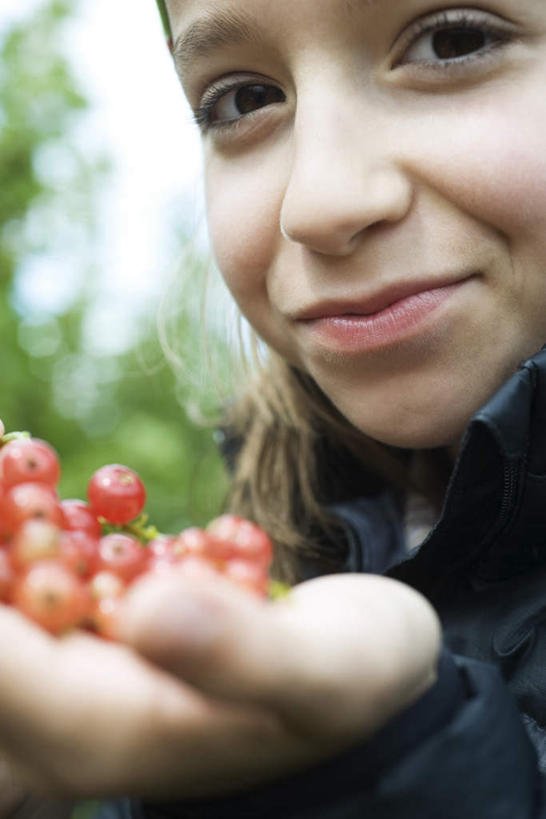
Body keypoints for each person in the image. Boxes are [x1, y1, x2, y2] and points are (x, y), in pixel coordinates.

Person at [2, 0, 546, 816]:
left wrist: (393, 752)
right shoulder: (264, 562)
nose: (319, 203)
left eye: (454, 40)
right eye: (245, 99)